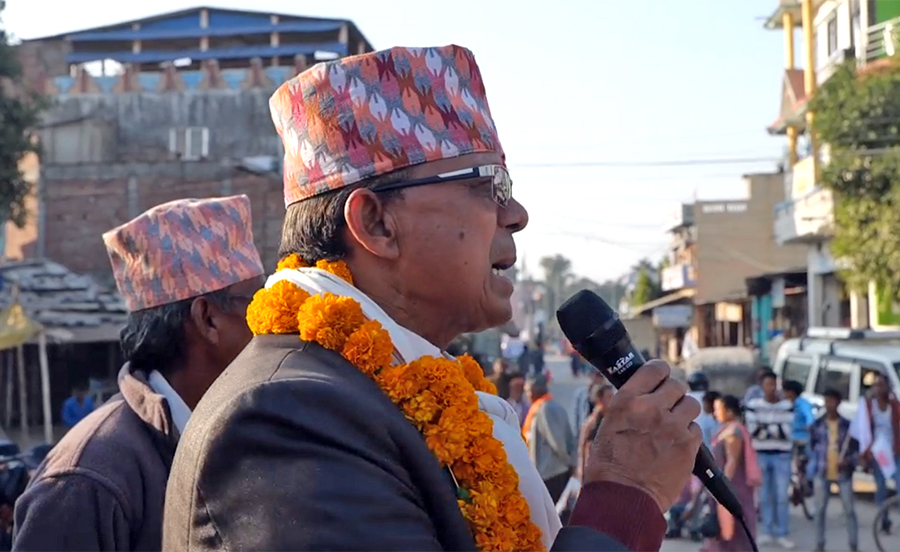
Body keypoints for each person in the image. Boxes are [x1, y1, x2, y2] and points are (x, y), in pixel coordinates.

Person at [162, 45, 703, 552]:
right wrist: (625, 496)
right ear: (377, 223)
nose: (517, 215)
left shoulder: (372, 390)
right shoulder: (285, 419)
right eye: (490, 185)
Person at [13, 196, 265, 551]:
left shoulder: (238, 436)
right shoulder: (87, 481)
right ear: (207, 319)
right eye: (257, 302)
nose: (269, 323)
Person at [745, 370, 795, 548]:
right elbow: (753, 431)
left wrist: (765, 428)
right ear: (762, 386)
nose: (771, 388)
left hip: (782, 455)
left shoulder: (787, 406)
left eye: (774, 384)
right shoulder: (753, 405)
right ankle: (767, 531)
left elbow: (787, 432)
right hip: (762, 455)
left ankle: (782, 533)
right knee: (764, 496)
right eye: (767, 384)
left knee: (782, 496)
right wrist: (774, 428)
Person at [808, 388, 858, 552]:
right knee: (820, 510)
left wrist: (848, 460)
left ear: (838, 403)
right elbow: (812, 447)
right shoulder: (817, 424)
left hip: (843, 473)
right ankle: (819, 544)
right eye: (827, 401)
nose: (829, 405)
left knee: (849, 510)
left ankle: (853, 544)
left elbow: (855, 450)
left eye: (832, 401)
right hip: (822, 471)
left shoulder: (847, 426)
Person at [850, 372, 900, 534]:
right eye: (876, 385)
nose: (878, 388)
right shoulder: (869, 406)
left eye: (881, 385)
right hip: (878, 453)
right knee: (881, 488)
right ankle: (883, 520)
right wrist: (864, 455)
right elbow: (862, 430)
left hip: (894, 451)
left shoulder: (894, 406)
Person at [709, 395, 759, 552]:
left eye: (718, 410)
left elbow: (731, 462)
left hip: (733, 487)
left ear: (729, 411)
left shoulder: (733, 433)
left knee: (734, 531)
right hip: (729, 486)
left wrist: (722, 488)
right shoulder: (726, 430)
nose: (715, 413)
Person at [523, 374, 577, 503]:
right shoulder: (548, 406)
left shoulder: (546, 409)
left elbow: (557, 442)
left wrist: (568, 462)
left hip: (551, 472)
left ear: (537, 389)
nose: (527, 395)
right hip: (552, 471)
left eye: (528, 391)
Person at [577, 384, 615, 479]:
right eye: (609, 397)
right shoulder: (591, 424)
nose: (613, 400)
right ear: (599, 401)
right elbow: (583, 450)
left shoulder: (616, 420)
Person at [572, 369, 607, 440]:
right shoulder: (581, 393)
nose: (596, 379)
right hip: (586, 429)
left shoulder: (606, 393)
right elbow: (576, 414)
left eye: (599, 376)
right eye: (594, 376)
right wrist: (577, 434)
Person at [782, 379, 815, 449]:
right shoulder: (786, 404)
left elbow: (809, 418)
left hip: (801, 438)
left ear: (791, 392)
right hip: (788, 437)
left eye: (785, 391)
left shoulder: (802, 404)